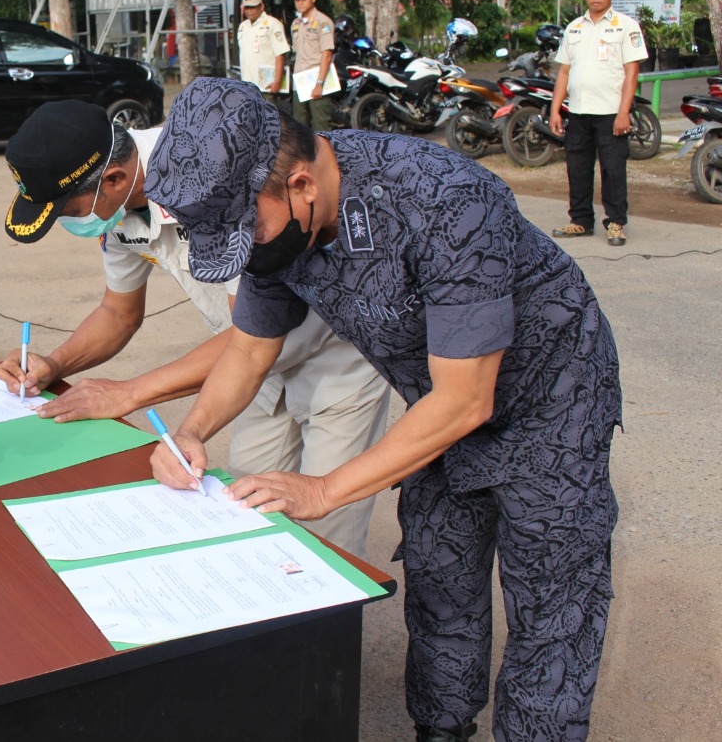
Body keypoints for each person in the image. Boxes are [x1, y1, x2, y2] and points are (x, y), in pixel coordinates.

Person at [145, 78, 621, 741]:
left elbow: (468, 398)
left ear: (302, 184)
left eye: (247, 226)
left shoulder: (443, 197)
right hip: (442, 394)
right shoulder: (273, 226)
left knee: (551, 593)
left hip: (551, 395)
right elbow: (250, 353)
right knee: (438, 564)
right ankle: (442, 729)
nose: (247, 247)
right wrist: (191, 432)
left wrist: (326, 488)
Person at [0, 99, 390, 557]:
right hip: (248, 370)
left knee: (325, 533)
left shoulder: (204, 174)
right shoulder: (119, 205)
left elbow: (252, 327)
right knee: (242, 511)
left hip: (329, 359)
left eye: (66, 208)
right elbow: (118, 312)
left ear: (115, 180)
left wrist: (132, 392)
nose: (68, 220)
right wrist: (54, 363)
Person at [549, 0, 648, 247]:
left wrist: (623, 112)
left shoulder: (625, 26)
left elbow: (632, 73)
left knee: (613, 169)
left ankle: (616, 222)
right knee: (577, 168)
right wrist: (556, 109)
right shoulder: (574, 28)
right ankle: (580, 221)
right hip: (579, 112)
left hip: (610, 114)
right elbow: (565, 73)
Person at [288, 0, 337, 131]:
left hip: (317, 80)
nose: (300, 2)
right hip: (300, 82)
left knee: (320, 127)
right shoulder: (295, 24)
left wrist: (319, 83)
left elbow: (327, 54)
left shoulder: (323, 22)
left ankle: (324, 155)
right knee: (299, 127)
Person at [237, 0, 290, 102]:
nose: (249, 11)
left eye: (253, 7)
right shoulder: (243, 26)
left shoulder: (272, 24)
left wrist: (277, 81)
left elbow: (280, 53)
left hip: (265, 86)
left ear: (261, 6)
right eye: (247, 7)